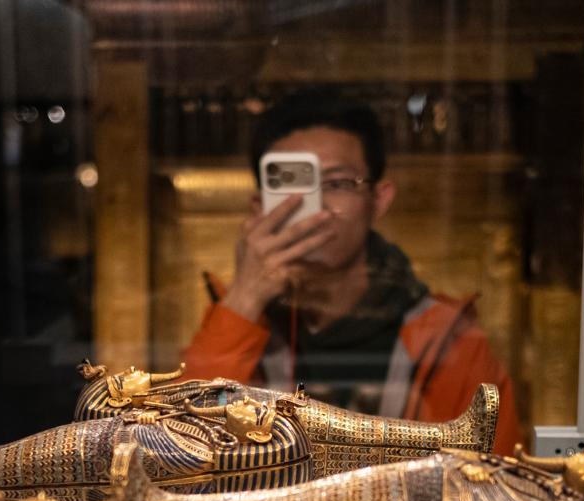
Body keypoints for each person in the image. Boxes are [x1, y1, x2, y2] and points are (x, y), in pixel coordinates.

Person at [182, 89, 522, 455]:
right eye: (292, 183)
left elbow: (493, 491)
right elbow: (180, 451)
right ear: (259, 207)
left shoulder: (448, 339)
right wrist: (244, 299)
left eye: (339, 184)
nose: (316, 207)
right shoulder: (237, 321)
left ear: (379, 199)